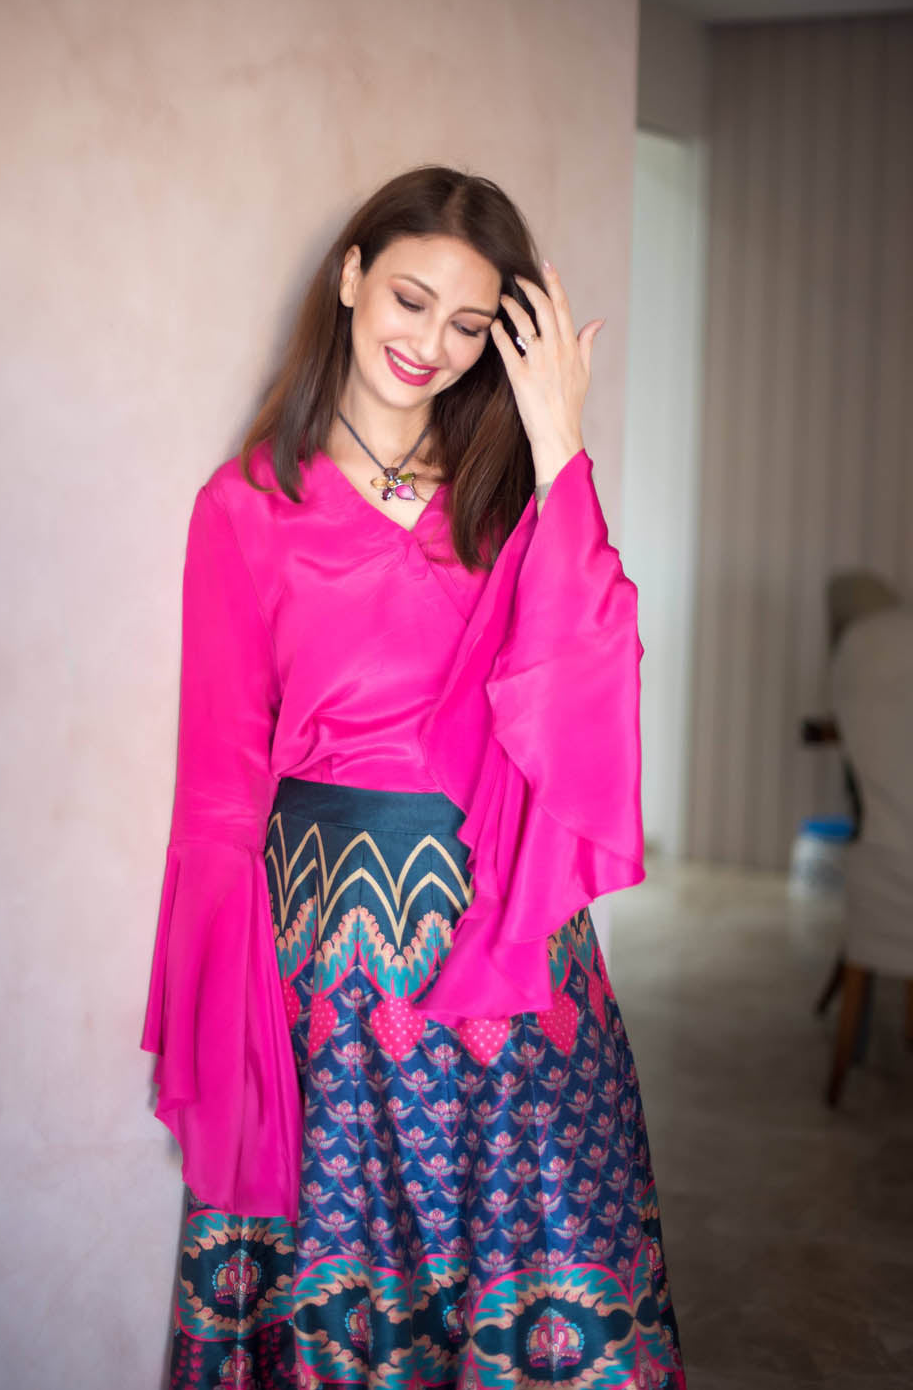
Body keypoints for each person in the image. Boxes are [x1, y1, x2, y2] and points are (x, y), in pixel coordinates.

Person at [141, 166, 685, 1388]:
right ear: (350, 277)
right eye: (409, 298)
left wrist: (559, 446)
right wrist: (223, 1015)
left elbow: (593, 690)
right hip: (331, 972)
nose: (431, 343)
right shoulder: (247, 507)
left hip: (517, 956)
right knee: (352, 1302)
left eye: (468, 322)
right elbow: (219, 788)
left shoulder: (513, 501)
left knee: (542, 1274)